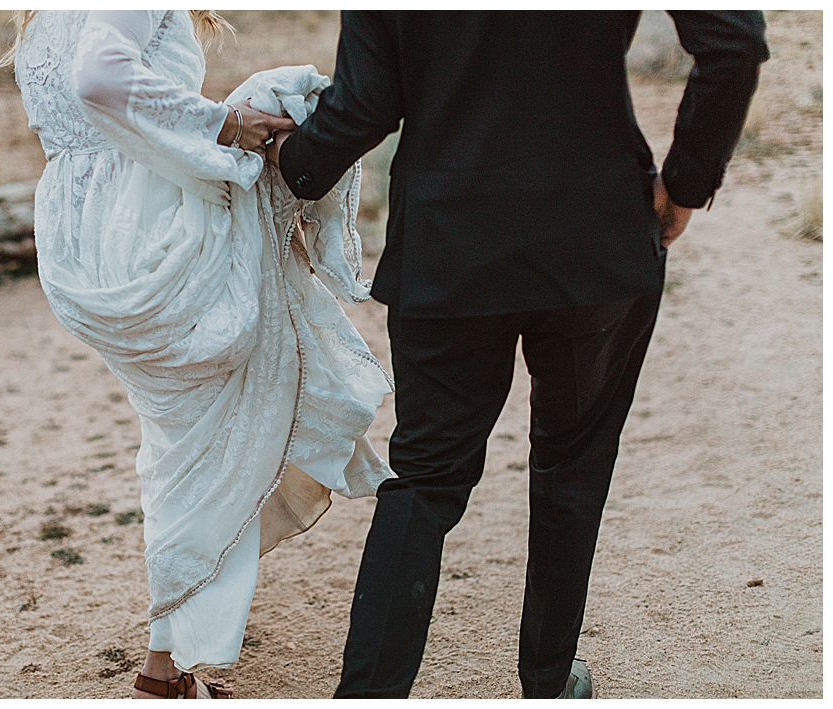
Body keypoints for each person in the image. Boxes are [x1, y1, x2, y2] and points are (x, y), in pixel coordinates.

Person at [271, 10, 768, 699]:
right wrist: (687, 182)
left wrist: (288, 164)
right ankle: (548, 679)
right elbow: (734, 40)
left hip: (451, 244)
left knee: (424, 478)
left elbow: (367, 103)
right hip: (593, 234)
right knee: (573, 463)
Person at [0, 10, 394, 698]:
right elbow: (99, 78)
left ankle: (168, 655)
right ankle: (170, 648)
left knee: (180, 443)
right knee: (203, 442)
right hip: (155, 232)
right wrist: (229, 125)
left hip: (84, 241)